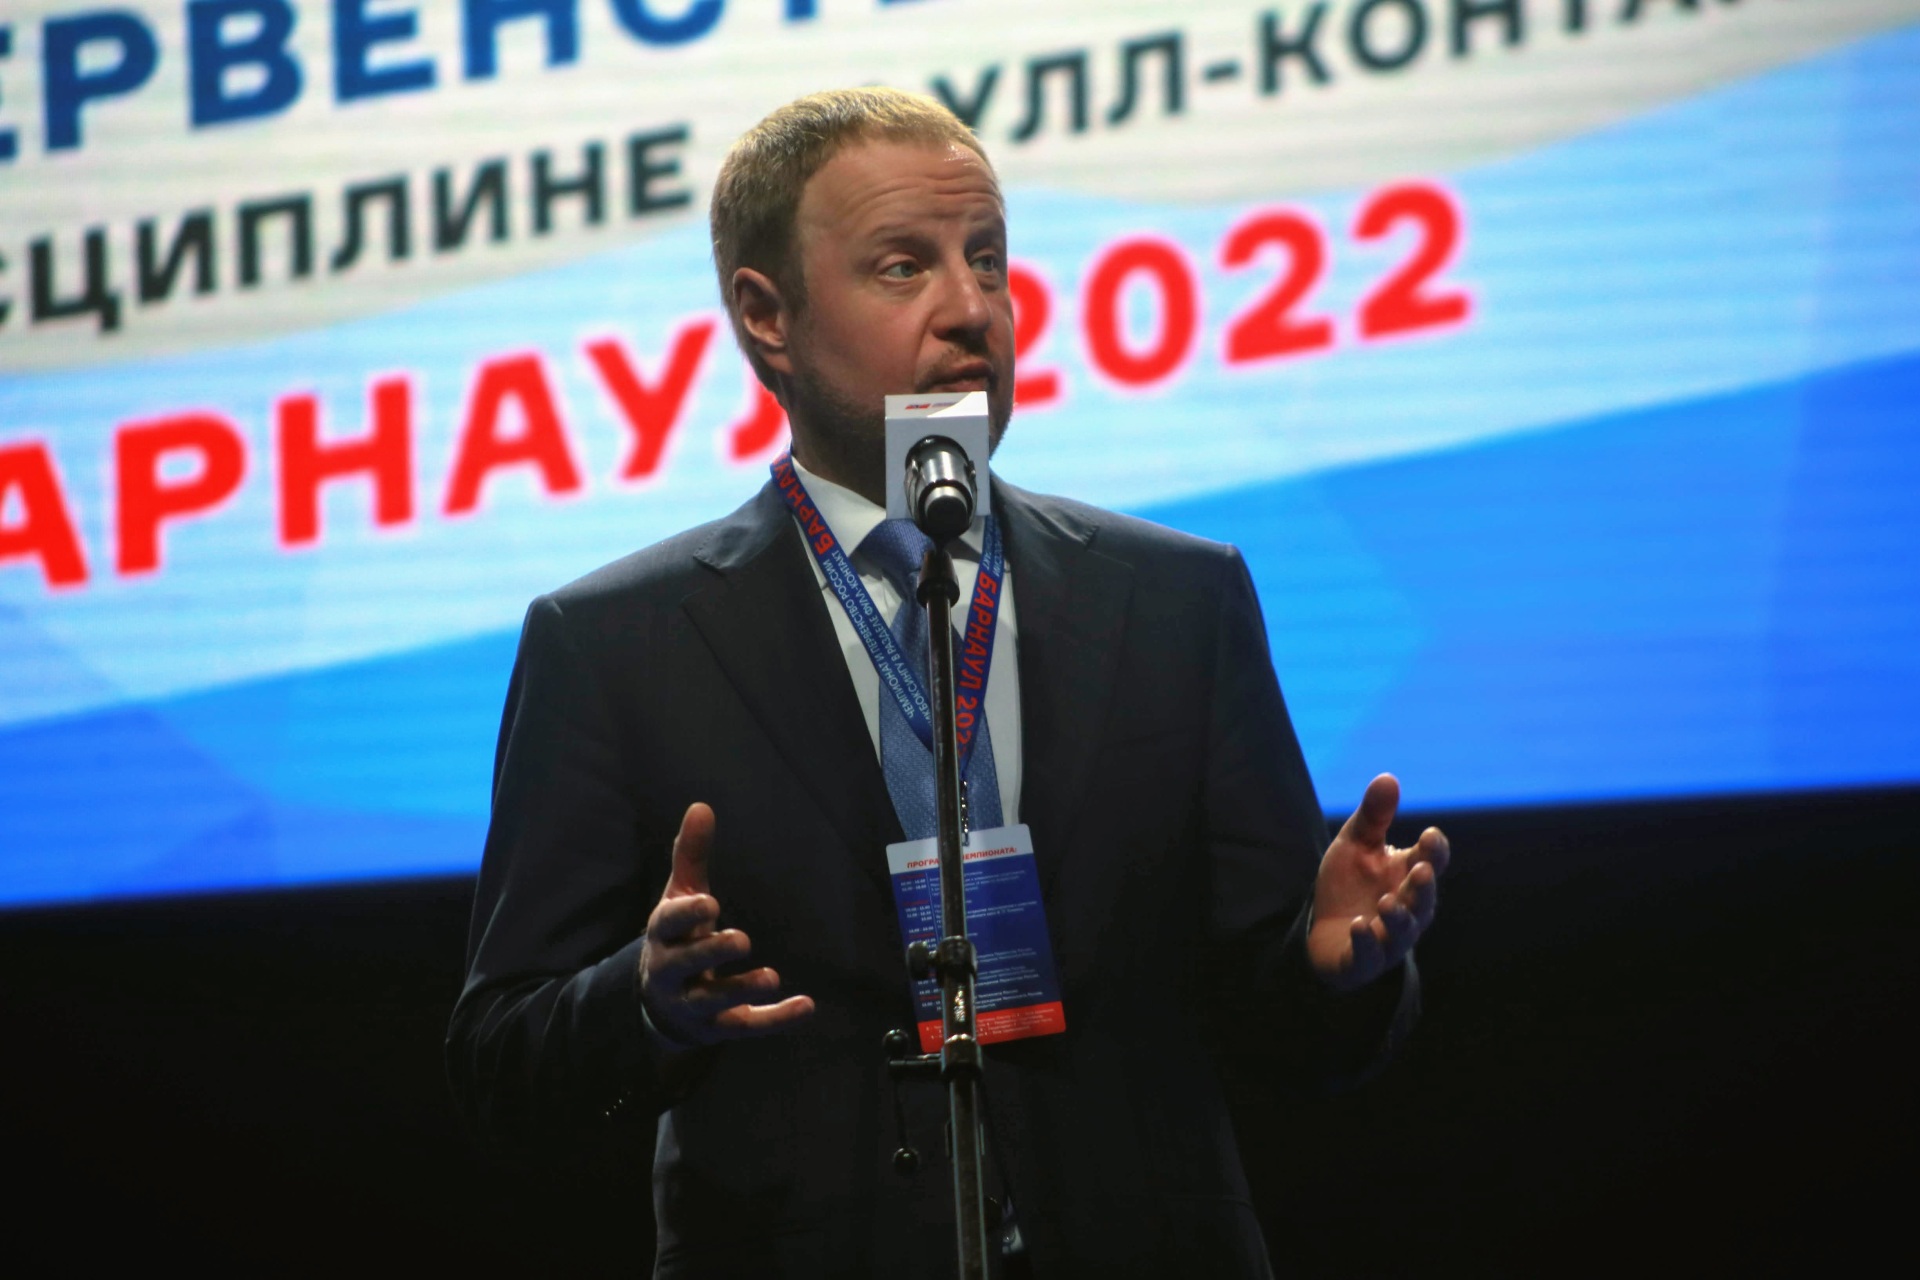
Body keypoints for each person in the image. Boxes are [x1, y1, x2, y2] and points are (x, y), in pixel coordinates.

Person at [448, 87, 1449, 1279]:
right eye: (902, 266)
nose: (972, 309)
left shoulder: (1179, 601)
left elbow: (1284, 1028)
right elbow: (502, 1061)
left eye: (988, 260)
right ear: (767, 318)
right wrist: (646, 1000)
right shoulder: (614, 645)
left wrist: (1333, 969)